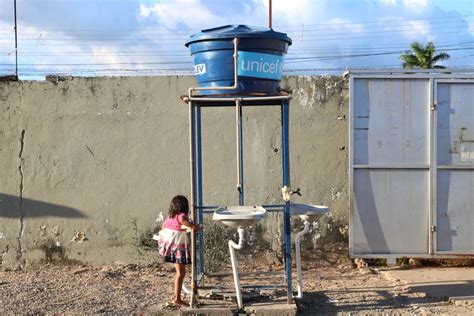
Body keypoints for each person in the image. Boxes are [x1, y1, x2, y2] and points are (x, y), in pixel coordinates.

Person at [154, 195, 199, 307]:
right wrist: (194, 227)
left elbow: (163, 227)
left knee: (179, 272)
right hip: (178, 248)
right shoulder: (181, 216)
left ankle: (176, 297)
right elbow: (183, 221)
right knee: (181, 273)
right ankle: (177, 298)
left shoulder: (170, 217)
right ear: (184, 206)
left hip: (170, 248)